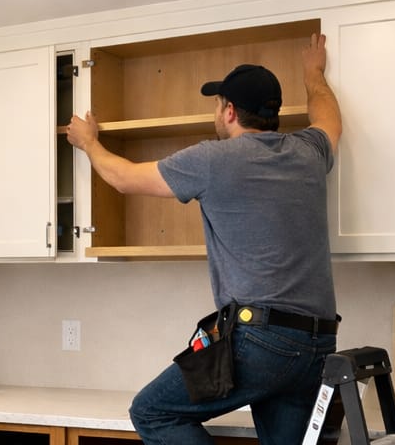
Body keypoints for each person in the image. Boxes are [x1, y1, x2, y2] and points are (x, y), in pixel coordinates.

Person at [66, 33, 342, 445]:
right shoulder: (309, 151)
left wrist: (89, 142)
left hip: (261, 343)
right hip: (319, 346)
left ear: (229, 111)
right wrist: (313, 74)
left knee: (152, 412)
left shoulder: (212, 160)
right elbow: (329, 116)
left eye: (217, 104)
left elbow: (123, 178)